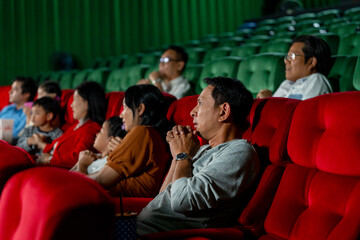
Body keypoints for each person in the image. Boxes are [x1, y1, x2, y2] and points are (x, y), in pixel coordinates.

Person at [137, 76, 260, 234]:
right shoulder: (202, 149)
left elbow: (181, 201)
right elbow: (162, 197)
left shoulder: (240, 152)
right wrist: (177, 155)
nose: (192, 112)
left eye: (200, 103)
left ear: (223, 111)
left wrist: (183, 155)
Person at [87, 84, 173, 197]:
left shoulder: (142, 132)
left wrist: (69, 178)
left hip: (122, 205)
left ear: (140, 109)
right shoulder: (150, 135)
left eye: (125, 107)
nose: (121, 115)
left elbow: (102, 179)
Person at [36, 81, 107, 168]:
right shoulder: (75, 126)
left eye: (75, 100)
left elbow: (80, 157)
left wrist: (50, 160)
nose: (71, 105)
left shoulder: (92, 129)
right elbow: (56, 147)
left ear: (87, 103)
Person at [257, 35, 333, 100]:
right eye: (287, 57)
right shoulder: (286, 83)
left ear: (311, 62)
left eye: (292, 56)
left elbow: (303, 114)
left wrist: (267, 101)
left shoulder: (317, 80)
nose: (286, 61)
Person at [0, 77, 37, 141]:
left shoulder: (30, 112)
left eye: (15, 89)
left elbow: (18, 135)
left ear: (26, 94)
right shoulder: (7, 109)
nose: (10, 92)